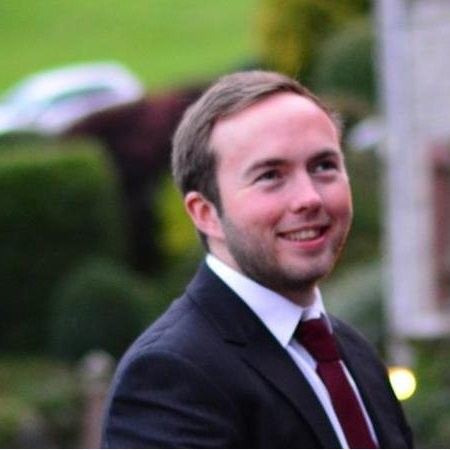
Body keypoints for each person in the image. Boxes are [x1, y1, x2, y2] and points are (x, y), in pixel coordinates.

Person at [101, 70, 413, 448]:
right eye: (270, 176)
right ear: (206, 213)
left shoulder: (353, 352)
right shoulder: (170, 376)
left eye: (323, 166)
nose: (309, 197)